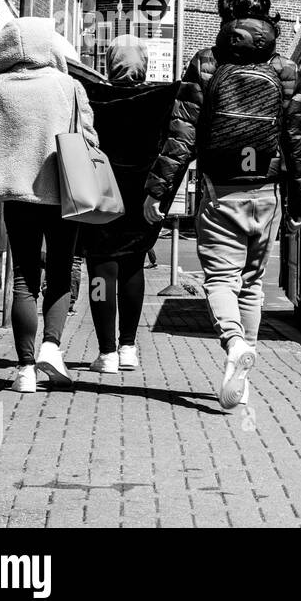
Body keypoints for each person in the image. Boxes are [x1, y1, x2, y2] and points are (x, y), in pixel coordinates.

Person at [143, 0, 301, 410]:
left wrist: (159, 191)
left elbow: (181, 135)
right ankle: (243, 369)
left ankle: (235, 344)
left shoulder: (206, 63)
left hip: (221, 190)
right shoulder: (285, 69)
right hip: (268, 193)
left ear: (225, 18)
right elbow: (298, 141)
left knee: (221, 280)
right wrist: (300, 203)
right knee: (251, 284)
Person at [0, 17, 96, 393]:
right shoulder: (70, 88)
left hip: (17, 193)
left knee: (24, 277)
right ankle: (52, 349)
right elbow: (89, 137)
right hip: (63, 189)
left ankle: (24, 370)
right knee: (60, 271)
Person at [78, 35, 180, 373]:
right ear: (144, 64)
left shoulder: (93, 97)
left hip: (99, 194)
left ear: (110, 63)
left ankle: (105, 352)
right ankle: (128, 348)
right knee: (133, 267)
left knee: (100, 270)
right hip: (142, 198)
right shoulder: (160, 99)